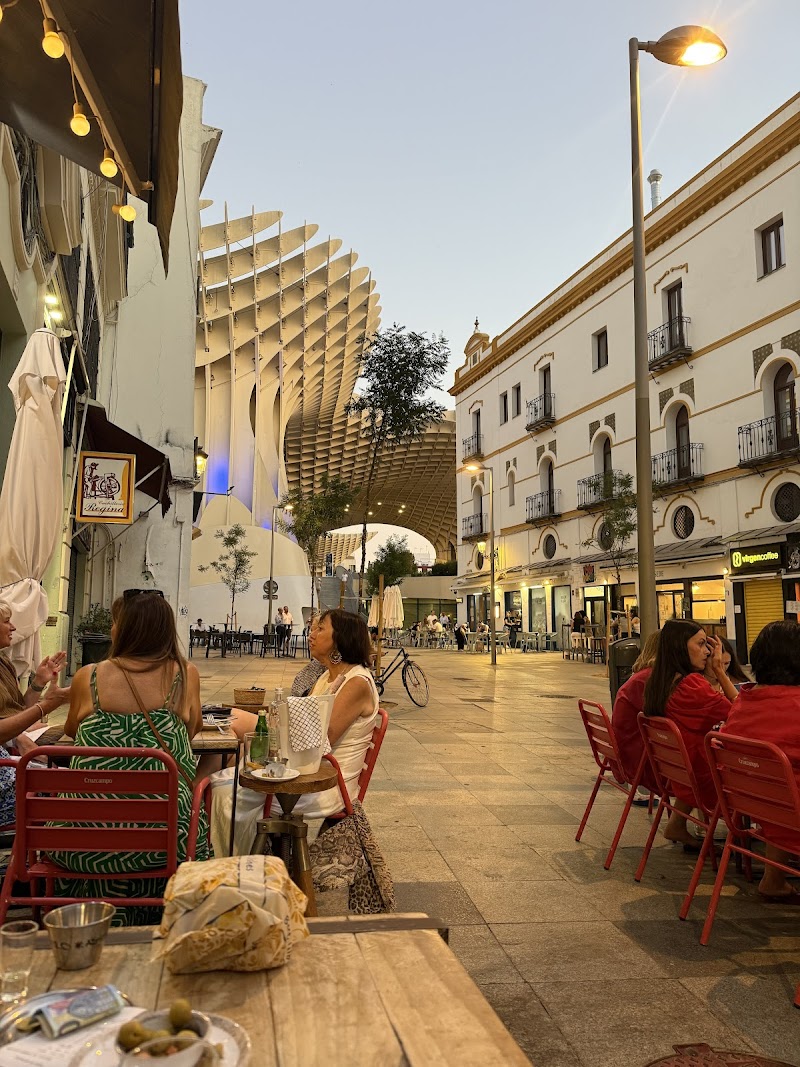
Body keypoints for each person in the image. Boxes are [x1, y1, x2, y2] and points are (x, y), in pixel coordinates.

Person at [58, 590, 210, 919]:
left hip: (85, 845)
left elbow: (71, 731)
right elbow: (192, 729)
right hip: (167, 842)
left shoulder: (88, 677)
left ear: (125, 630)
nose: (112, 629)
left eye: (115, 622)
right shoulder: (184, 675)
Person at [220, 609, 380, 853]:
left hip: (323, 784)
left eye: (320, 628)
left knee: (224, 791)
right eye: (313, 628)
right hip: (308, 770)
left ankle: (231, 865)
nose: (312, 634)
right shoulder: (328, 677)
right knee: (225, 765)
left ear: (340, 639)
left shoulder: (356, 682)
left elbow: (322, 739)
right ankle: (229, 860)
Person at [722, 620, 800, 903]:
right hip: (790, 815)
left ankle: (773, 878)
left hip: (757, 809)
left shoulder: (744, 703)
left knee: (781, 785)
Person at [643, 620, 736, 848]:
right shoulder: (691, 685)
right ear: (680, 647)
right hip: (705, 780)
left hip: (680, 776)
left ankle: (677, 824)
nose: (707, 651)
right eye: (702, 644)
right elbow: (740, 710)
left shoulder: (660, 681)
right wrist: (719, 672)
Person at [0, 601, 70, 823]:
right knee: (79, 758)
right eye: (6, 621)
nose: (12, 627)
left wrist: (39, 684)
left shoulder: (3, 661)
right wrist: (47, 705)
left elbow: (19, 711)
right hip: (11, 753)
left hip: (18, 743)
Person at [611, 631, 661, 797]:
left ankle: (679, 821)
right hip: (637, 760)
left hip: (625, 752)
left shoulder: (641, 675)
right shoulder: (650, 680)